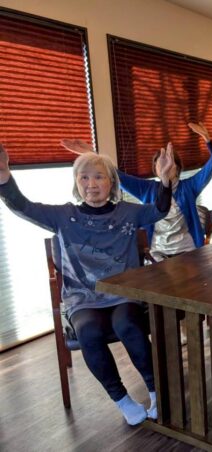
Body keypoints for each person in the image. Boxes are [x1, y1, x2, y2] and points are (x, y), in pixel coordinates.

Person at [0, 143, 174, 425]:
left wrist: (165, 181)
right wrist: (4, 177)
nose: (91, 184)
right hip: (82, 298)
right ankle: (122, 399)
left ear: (111, 182)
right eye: (84, 177)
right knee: (88, 331)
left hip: (123, 294)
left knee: (128, 325)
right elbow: (23, 206)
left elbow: (159, 211)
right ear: (76, 182)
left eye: (99, 177)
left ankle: (156, 392)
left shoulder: (128, 212)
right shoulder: (62, 216)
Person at [61, 135, 212, 260]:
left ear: (177, 168)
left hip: (189, 252)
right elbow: (117, 175)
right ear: (156, 170)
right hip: (158, 254)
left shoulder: (189, 186)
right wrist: (92, 154)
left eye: (169, 161)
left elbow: (208, 169)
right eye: (159, 163)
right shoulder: (147, 189)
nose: (164, 165)